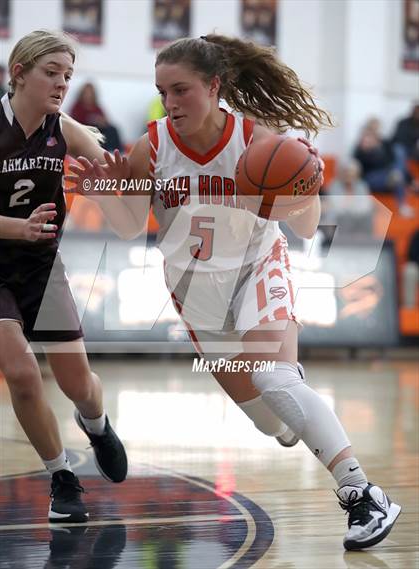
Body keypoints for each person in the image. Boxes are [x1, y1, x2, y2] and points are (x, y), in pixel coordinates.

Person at [68, 35, 401, 550]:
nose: (171, 101)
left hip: (255, 269)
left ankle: (362, 493)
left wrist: (297, 191)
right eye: (163, 91)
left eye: (181, 90)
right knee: (274, 424)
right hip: (196, 294)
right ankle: (292, 396)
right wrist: (106, 190)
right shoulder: (152, 146)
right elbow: (133, 225)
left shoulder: (259, 141)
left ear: (214, 85)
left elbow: (310, 227)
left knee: (272, 376)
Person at [0, 30, 128, 524]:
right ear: (19, 73)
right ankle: (61, 476)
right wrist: (18, 227)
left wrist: (118, 181)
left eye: (67, 75)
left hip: (41, 267)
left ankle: (96, 424)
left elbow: (116, 173)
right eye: (51, 72)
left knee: (79, 383)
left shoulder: (63, 128)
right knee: (21, 373)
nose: (61, 84)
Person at [354, 118, 413, 217]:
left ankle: (402, 204)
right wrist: (367, 152)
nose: (375, 131)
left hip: (388, 174)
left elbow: (392, 161)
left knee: (398, 157)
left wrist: (410, 178)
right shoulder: (361, 147)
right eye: (372, 128)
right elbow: (359, 166)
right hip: (371, 177)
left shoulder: (385, 144)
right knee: (397, 175)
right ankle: (402, 203)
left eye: (376, 129)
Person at [321, 158, 374, 241]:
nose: (349, 175)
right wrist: (351, 207)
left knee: (368, 216)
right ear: (341, 173)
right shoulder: (334, 185)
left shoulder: (362, 186)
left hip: (357, 219)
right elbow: (335, 207)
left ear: (357, 174)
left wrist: (348, 207)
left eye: (352, 173)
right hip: (339, 220)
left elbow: (365, 207)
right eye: (346, 172)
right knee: (330, 215)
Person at [70, 82, 123, 152]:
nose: (88, 95)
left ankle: (116, 151)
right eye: (86, 93)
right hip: (85, 130)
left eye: (90, 93)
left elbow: (105, 120)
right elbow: (74, 122)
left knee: (112, 129)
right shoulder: (77, 107)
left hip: (99, 129)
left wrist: (101, 121)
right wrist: (91, 120)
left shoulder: (97, 107)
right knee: (96, 132)